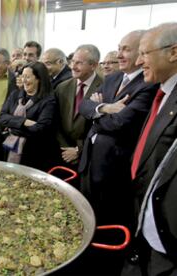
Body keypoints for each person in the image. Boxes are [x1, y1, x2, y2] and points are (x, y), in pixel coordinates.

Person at [76, 30, 158, 275]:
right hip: (89, 162)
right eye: (119, 48)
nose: (120, 54)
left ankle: (104, 266)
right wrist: (105, 108)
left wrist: (98, 113)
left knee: (109, 222)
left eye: (127, 49)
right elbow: (85, 106)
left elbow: (122, 123)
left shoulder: (148, 84)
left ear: (141, 52)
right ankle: (84, 255)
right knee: (85, 214)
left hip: (114, 169)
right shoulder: (111, 79)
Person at [122, 22, 177, 276]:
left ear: (173, 52)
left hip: (167, 234)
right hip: (144, 217)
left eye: (144, 54)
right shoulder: (163, 91)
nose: (138, 61)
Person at [0, 62, 60, 171]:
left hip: (34, 152)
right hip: (11, 146)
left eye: (27, 77)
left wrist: (12, 125)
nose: (24, 80)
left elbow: (40, 128)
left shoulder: (48, 100)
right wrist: (24, 121)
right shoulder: (15, 94)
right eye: (22, 76)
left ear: (39, 79)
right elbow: (2, 118)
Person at [55, 44, 103, 170]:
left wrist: (79, 150)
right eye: (72, 62)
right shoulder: (62, 87)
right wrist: (65, 149)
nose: (73, 67)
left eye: (79, 63)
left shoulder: (106, 87)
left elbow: (102, 126)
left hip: (89, 157)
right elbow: (56, 121)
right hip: (62, 153)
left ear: (94, 65)